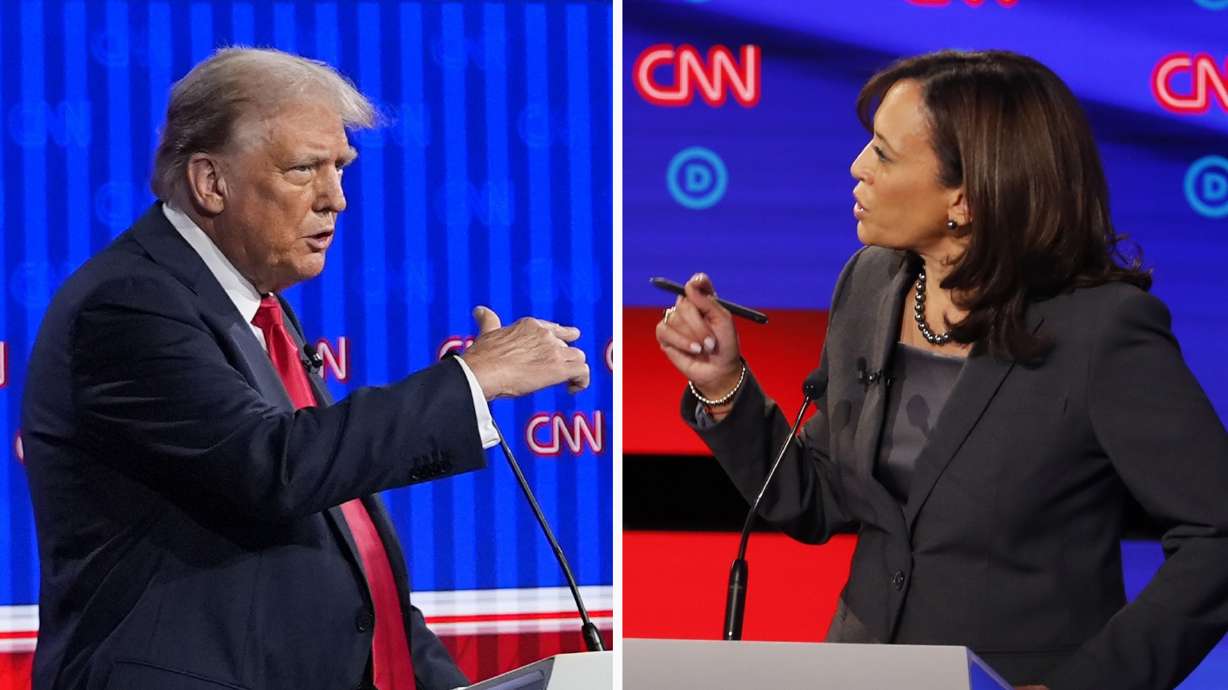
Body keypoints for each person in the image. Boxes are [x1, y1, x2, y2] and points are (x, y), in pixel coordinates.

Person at [656, 50, 1228, 690]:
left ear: (966, 196)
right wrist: (723, 385)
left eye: (884, 153)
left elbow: (1218, 535)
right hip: (860, 669)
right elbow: (817, 503)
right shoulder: (870, 284)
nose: (857, 168)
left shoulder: (1103, 331)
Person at [23, 48, 588, 690]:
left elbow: (352, 554)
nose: (336, 200)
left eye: (341, 168)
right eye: (304, 170)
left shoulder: (259, 309)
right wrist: (474, 379)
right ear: (211, 182)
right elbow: (274, 468)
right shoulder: (127, 303)